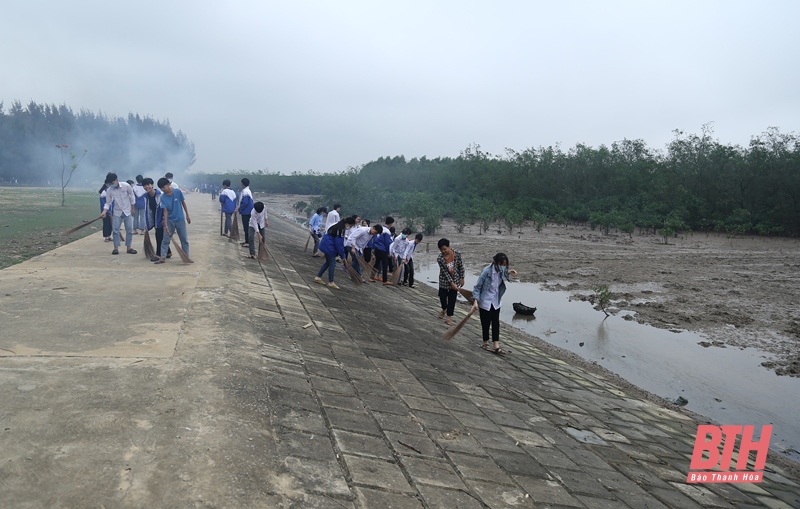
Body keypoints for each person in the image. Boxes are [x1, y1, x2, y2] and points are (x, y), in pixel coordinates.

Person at [471, 253, 517, 356]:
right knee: (486, 322)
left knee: (495, 322)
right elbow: (477, 287)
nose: (503, 266)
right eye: (502, 264)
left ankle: (496, 344)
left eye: (505, 265)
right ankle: (485, 342)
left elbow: (504, 273)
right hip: (485, 300)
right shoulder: (486, 272)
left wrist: (509, 272)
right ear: (495, 262)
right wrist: (475, 302)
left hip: (496, 300)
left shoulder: (501, 270)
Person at [153, 177, 190, 264]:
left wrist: (187, 215)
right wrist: (165, 224)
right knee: (165, 240)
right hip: (170, 221)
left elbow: (183, 203)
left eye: (164, 187)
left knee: (184, 240)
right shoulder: (163, 197)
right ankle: (162, 257)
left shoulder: (177, 192)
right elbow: (165, 211)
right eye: (161, 188)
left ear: (168, 185)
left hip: (180, 219)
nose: (163, 189)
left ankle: (186, 256)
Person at [313, 217, 355, 289]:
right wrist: (343, 255)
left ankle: (318, 277)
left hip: (326, 245)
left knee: (328, 263)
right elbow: (339, 244)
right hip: (329, 247)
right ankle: (331, 282)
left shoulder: (337, 226)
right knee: (332, 264)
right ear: (347, 223)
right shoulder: (340, 230)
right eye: (351, 225)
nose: (350, 227)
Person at [101, 173, 137, 255]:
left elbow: (132, 196)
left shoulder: (126, 186)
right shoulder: (109, 190)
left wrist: (132, 208)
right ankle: (115, 248)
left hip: (127, 211)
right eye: (110, 184)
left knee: (129, 230)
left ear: (116, 181)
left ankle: (129, 247)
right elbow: (108, 202)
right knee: (116, 230)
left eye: (112, 183)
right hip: (117, 211)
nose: (111, 185)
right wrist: (104, 211)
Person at [436, 238, 465, 326]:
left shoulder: (456, 254)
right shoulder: (440, 258)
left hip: (456, 280)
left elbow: (461, 266)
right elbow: (445, 272)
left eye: (445, 249)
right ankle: (444, 309)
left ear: (449, 247)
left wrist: (462, 278)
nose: (444, 251)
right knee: (442, 297)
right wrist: (451, 283)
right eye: (442, 250)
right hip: (444, 281)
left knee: (452, 299)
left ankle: (449, 317)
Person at [142, 177, 171, 261]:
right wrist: (146, 223)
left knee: (159, 236)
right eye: (144, 185)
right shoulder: (145, 197)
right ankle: (168, 252)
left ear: (152, 185)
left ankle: (158, 254)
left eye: (148, 185)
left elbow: (165, 208)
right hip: (153, 218)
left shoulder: (161, 195)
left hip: (161, 218)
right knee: (160, 236)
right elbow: (147, 210)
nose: (147, 187)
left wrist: (163, 219)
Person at [370, 216, 394, 283]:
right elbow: (387, 243)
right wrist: (389, 252)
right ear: (391, 223)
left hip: (377, 248)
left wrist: (373, 248)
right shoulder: (387, 231)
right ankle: (385, 280)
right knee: (385, 264)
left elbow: (374, 239)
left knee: (376, 263)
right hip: (382, 249)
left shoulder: (380, 228)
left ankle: (371, 277)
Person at [238, 177, 254, 247]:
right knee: (247, 227)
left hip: (246, 212)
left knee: (246, 227)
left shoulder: (245, 192)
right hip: (248, 211)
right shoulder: (248, 190)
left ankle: (248, 242)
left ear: (242, 184)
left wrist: (239, 209)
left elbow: (245, 203)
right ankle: (246, 241)